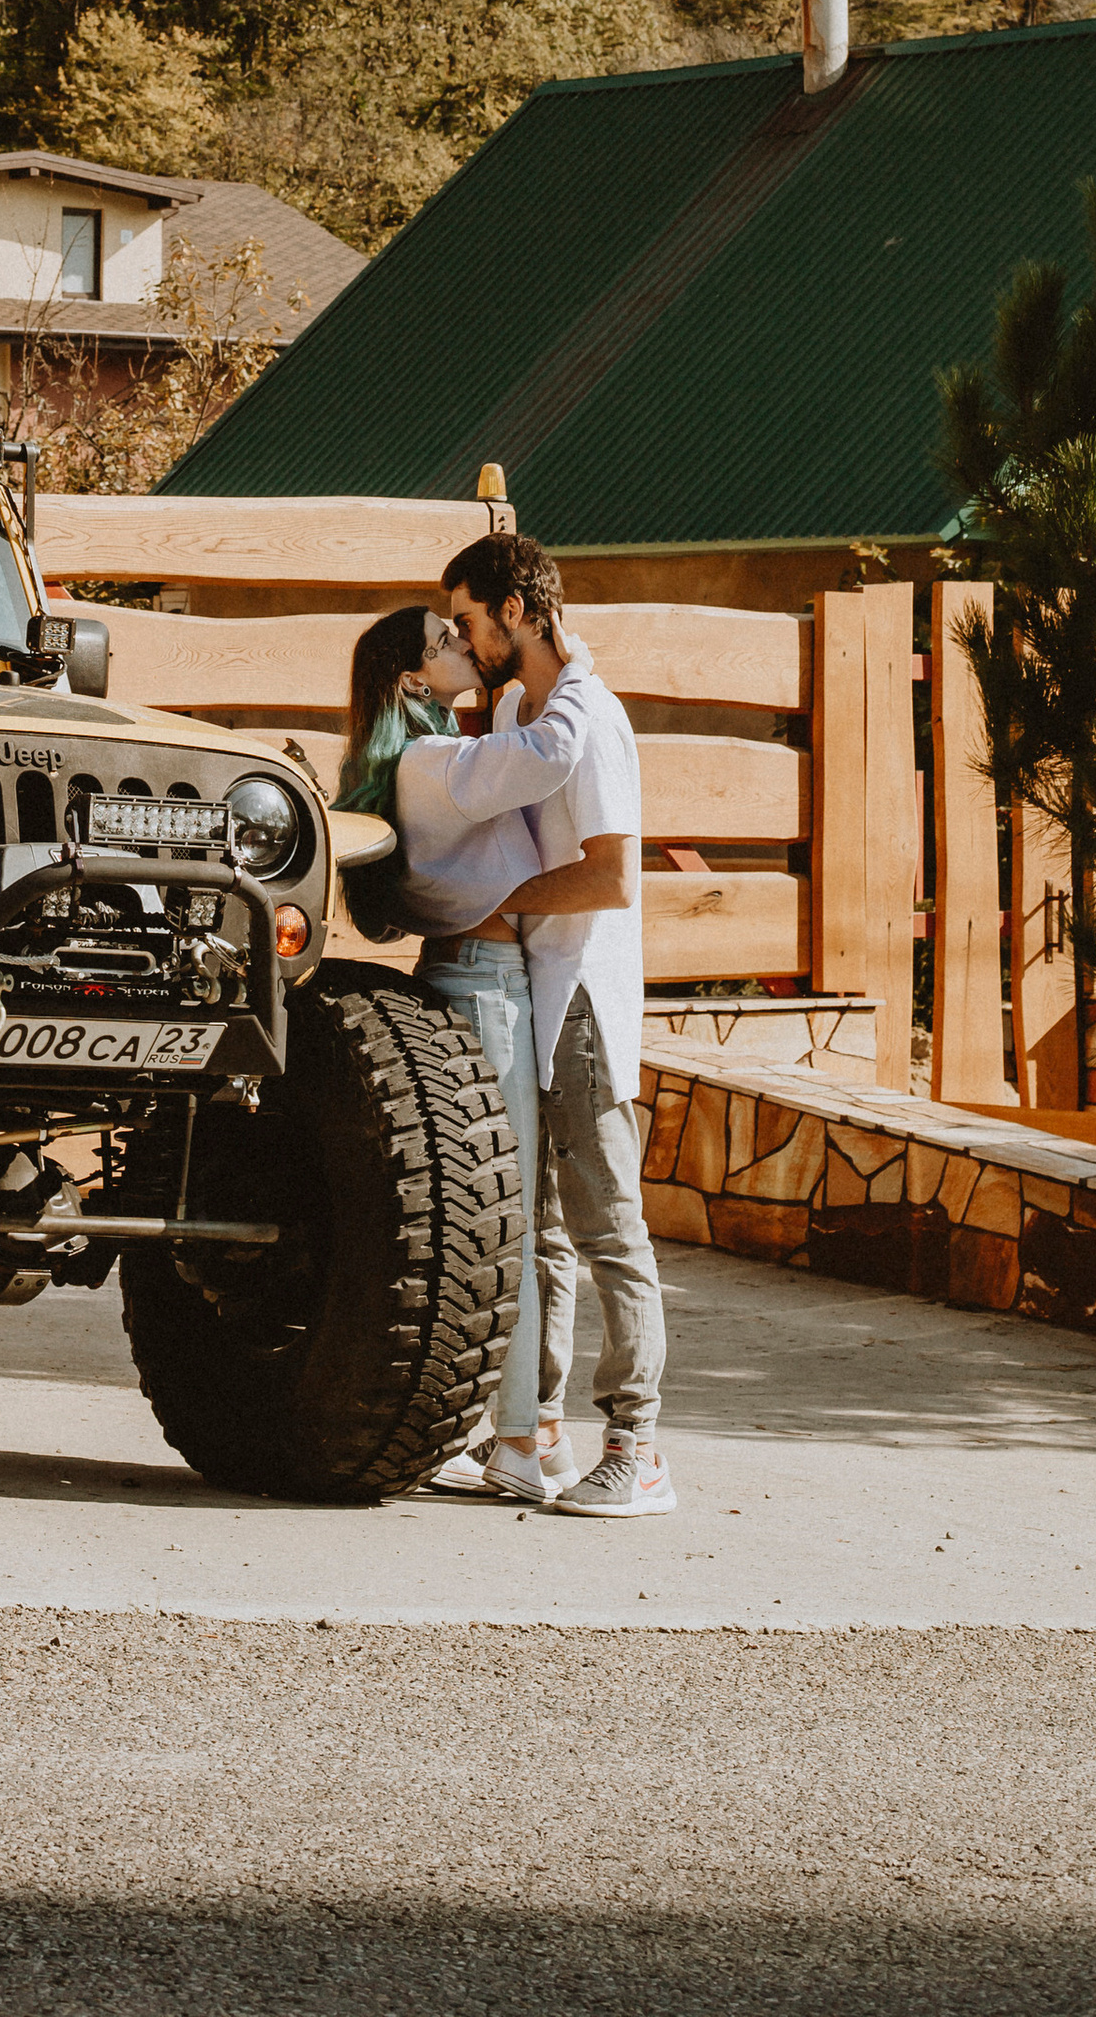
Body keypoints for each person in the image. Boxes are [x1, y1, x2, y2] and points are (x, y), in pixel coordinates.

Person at [440, 529, 673, 1519]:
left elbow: (613, 877)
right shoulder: (511, 705)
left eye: (466, 622)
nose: (459, 640)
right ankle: (531, 1435)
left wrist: (505, 897)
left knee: (606, 1225)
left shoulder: (593, 720)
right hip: (526, 995)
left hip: (581, 998)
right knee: (534, 1232)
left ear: (517, 614)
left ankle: (640, 1448)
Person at [336, 600, 584, 1503]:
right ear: (412, 680)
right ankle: (518, 1440)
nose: (463, 648)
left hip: (472, 976)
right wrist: (566, 666)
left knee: (494, 1218)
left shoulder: (419, 758)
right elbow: (552, 752)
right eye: (446, 643)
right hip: (486, 986)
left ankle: (513, 1429)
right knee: (506, 1217)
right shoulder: (436, 762)